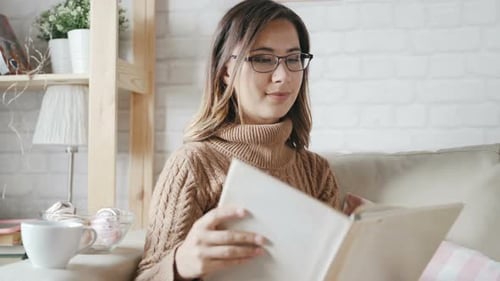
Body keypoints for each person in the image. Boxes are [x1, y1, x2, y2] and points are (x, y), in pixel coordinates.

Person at [135, 0, 339, 280]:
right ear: (226, 70)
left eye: (293, 59)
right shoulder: (193, 164)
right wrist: (181, 264)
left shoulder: (317, 173)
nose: (283, 76)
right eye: (262, 59)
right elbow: (147, 276)